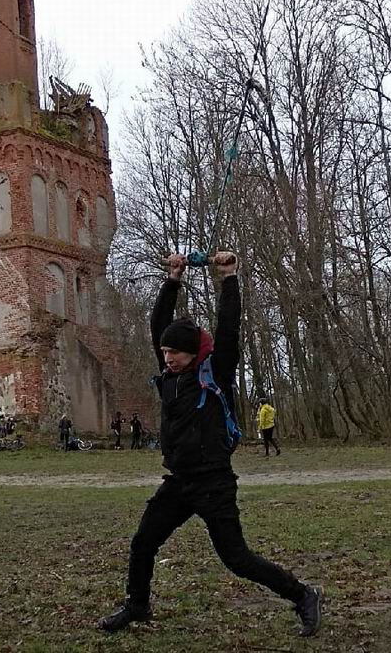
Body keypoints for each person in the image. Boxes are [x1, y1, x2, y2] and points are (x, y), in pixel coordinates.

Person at [98, 251, 322, 636]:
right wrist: (173, 278)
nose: (167, 357)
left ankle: (303, 595)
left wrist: (230, 275)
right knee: (143, 543)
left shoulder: (214, 371)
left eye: (174, 352)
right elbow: (158, 324)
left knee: (236, 558)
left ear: (192, 352)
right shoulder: (168, 374)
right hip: (179, 482)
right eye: (164, 352)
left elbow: (229, 328)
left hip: (213, 482)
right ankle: (137, 606)